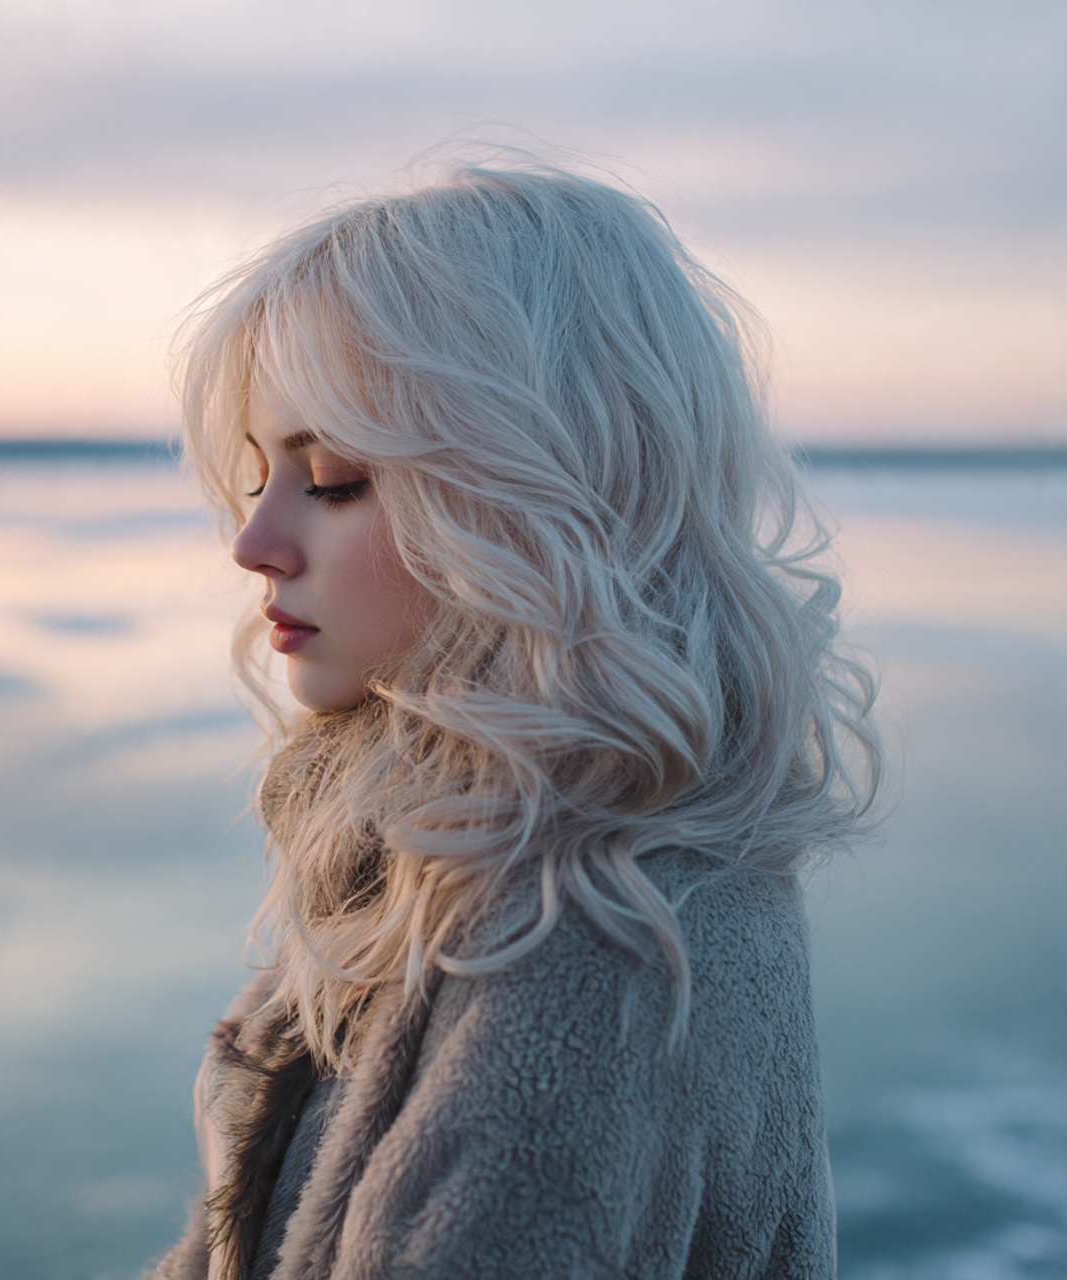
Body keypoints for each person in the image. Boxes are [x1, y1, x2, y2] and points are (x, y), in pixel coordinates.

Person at [147, 158, 880, 1280]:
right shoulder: (446, 852)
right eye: (259, 475)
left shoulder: (600, 952)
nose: (254, 541)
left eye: (334, 476)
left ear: (539, 498)